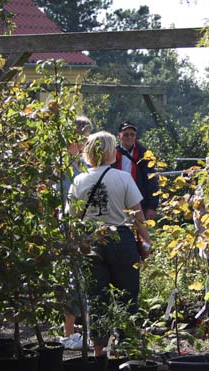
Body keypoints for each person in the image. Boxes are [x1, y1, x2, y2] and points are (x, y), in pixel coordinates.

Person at [67, 131, 151, 357]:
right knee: (128, 295)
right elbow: (137, 216)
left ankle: (98, 351)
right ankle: (126, 349)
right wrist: (147, 242)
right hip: (121, 239)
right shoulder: (123, 178)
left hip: (91, 242)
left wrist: (75, 246)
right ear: (110, 152)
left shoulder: (79, 180)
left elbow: (71, 218)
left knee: (97, 298)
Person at [58, 115, 92, 350]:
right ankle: (68, 333)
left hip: (86, 226)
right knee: (73, 279)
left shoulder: (83, 164)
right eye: (83, 138)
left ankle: (83, 329)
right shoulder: (62, 167)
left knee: (85, 278)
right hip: (68, 227)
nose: (85, 143)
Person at [112, 121, 159, 221]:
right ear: (119, 136)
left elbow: (152, 180)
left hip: (140, 200)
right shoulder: (112, 154)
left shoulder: (144, 154)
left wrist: (152, 206)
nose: (129, 137)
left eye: (132, 134)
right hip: (118, 200)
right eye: (126, 134)